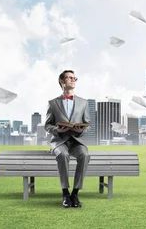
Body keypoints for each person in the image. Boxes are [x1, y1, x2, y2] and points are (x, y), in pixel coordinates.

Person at [45, 70, 91, 208]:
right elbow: (47, 125)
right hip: (59, 141)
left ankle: (75, 193)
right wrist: (57, 130)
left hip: (77, 140)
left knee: (85, 155)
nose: (73, 80)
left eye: (74, 78)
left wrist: (81, 130)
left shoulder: (84, 102)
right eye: (69, 78)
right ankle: (65, 192)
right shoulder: (53, 103)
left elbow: (87, 123)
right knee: (63, 155)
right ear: (62, 81)